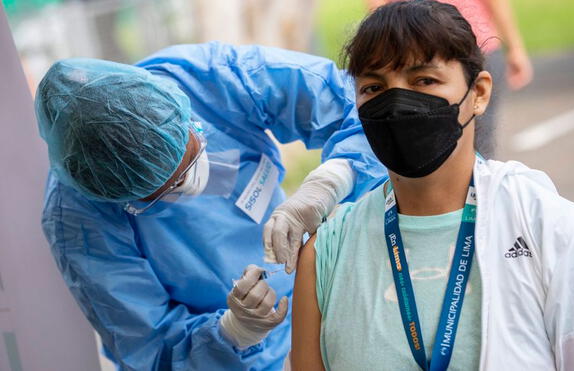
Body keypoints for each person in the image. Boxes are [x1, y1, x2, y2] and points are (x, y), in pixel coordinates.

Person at [291, 2, 574, 370]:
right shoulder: (325, 253)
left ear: (480, 93)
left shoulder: (550, 227)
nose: (396, 104)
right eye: (374, 87)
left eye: (424, 80)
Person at [35, 42, 386, 370]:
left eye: (190, 157)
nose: (191, 184)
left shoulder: (208, 79)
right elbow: (149, 347)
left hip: (323, 303)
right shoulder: (78, 221)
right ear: (118, 197)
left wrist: (333, 180)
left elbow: (365, 104)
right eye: (164, 190)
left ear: (184, 113)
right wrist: (234, 332)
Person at [367, 0, 533, 158]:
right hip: (423, 51)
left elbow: (377, 7)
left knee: (429, 139)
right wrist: (515, 48)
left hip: (439, 49)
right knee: (470, 136)